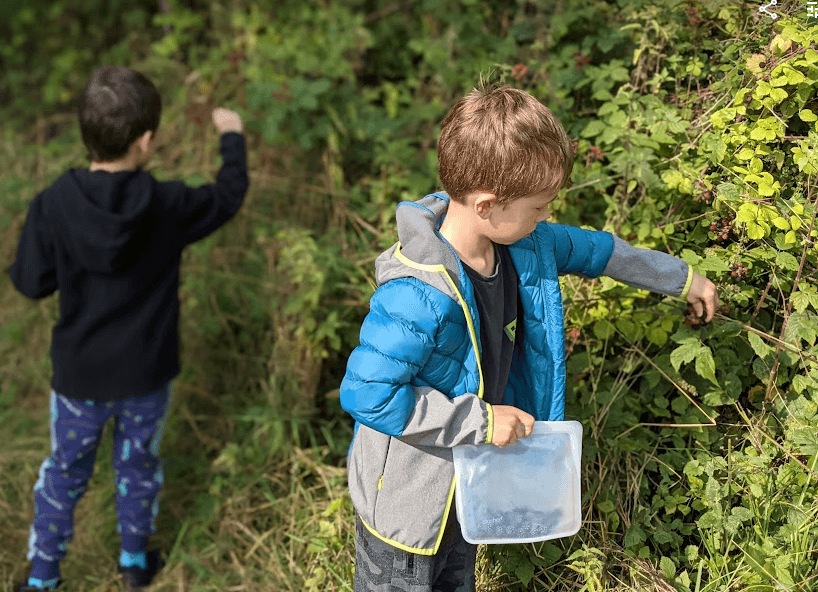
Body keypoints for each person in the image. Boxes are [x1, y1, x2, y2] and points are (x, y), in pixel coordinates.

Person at [339, 84, 718, 591]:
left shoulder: (523, 246)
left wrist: (682, 278)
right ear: (490, 205)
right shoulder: (416, 294)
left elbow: (599, 252)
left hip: (467, 491)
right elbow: (368, 394)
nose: (546, 216)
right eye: (540, 206)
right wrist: (480, 421)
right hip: (407, 512)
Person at [7, 66, 248, 591]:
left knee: (64, 474)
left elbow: (30, 282)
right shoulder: (167, 205)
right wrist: (231, 136)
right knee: (138, 467)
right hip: (146, 373)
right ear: (146, 141)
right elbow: (227, 197)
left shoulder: (51, 204)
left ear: (85, 134)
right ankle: (135, 565)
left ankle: (43, 577)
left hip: (79, 380)